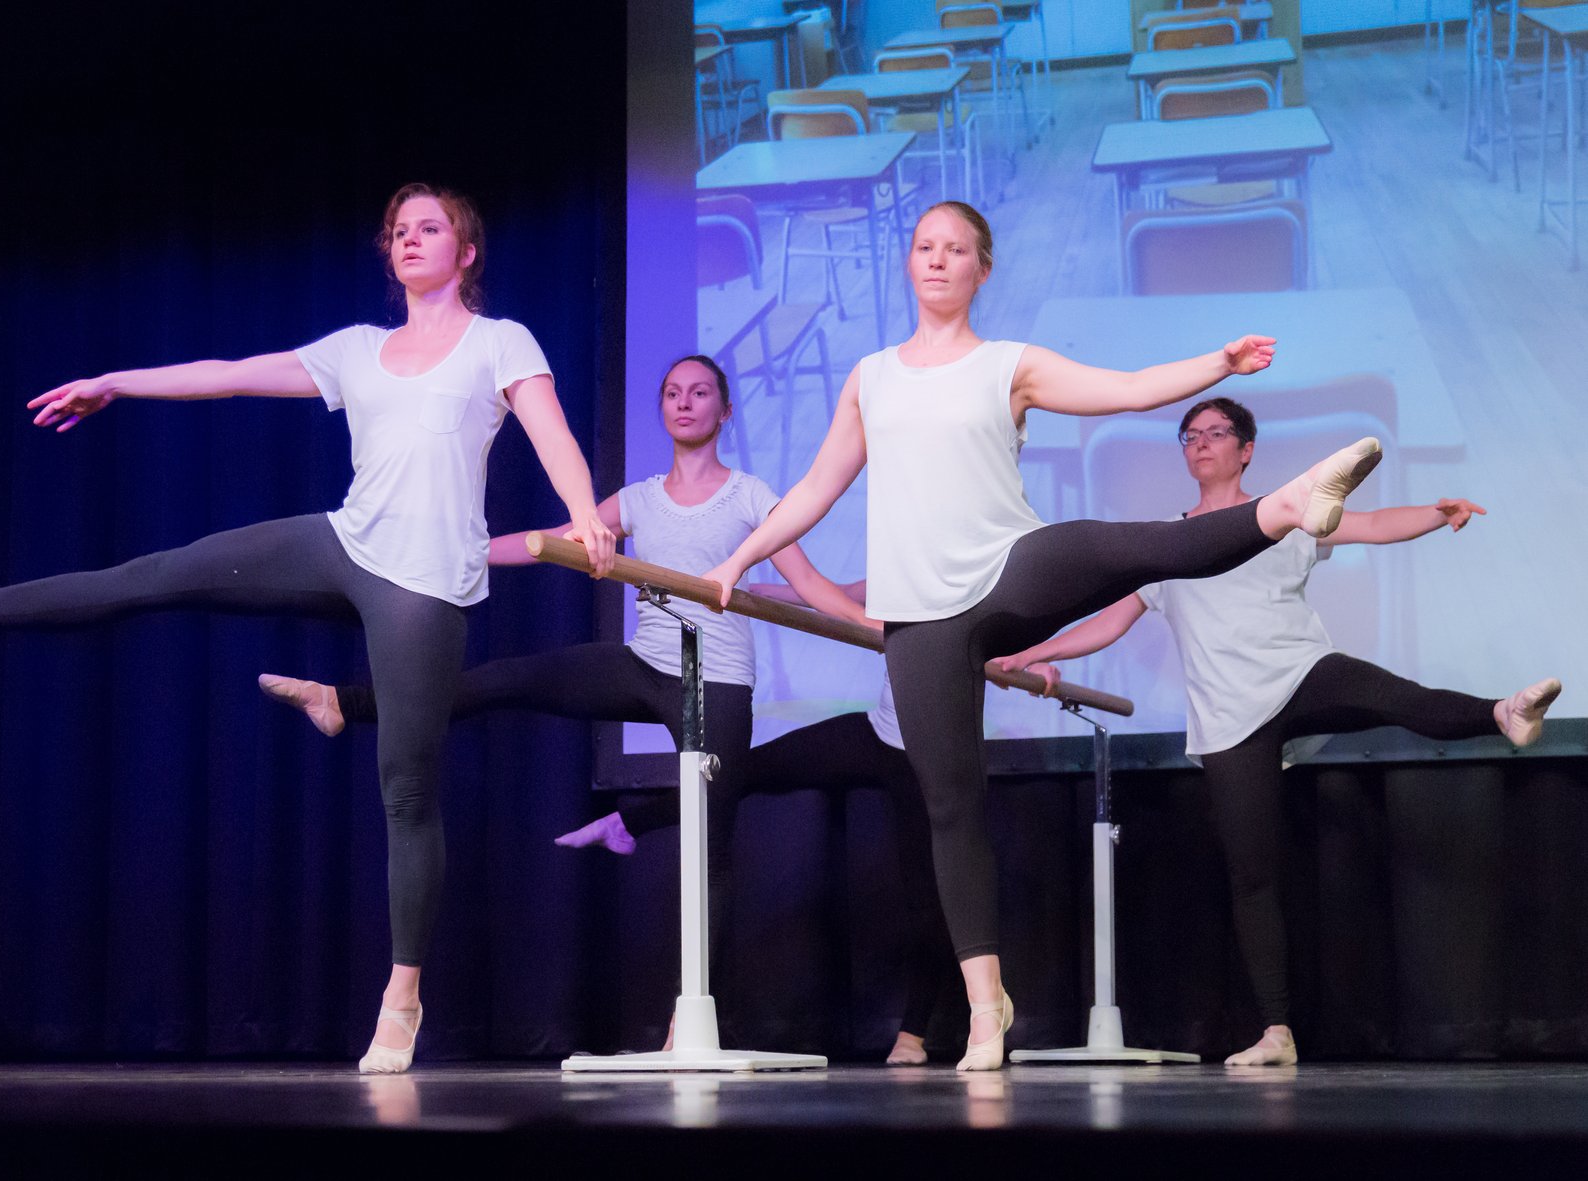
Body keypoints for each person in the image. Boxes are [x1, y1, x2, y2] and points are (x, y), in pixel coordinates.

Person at [0, 182, 617, 1074]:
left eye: (429, 228)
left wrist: (582, 513)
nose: (409, 239)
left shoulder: (499, 341)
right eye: (398, 230)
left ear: (466, 251)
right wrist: (116, 384)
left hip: (428, 580)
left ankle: (402, 995)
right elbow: (228, 372)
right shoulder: (358, 350)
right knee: (157, 574)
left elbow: (551, 431)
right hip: (345, 542)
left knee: (406, 788)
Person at [699, 199, 1386, 1070]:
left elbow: (1125, 389)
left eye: (956, 249)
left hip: (1006, 567)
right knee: (951, 807)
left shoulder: (1008, 365)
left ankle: (1285, 504)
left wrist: (1219, 361)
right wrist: (739, 557)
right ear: (909, 262)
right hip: (920, 616)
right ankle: (987, 1008)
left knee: (1126, 545)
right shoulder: (870, 378)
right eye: (924, 246)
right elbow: (814, 488)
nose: (937, 259)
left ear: (982, 269)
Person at [256, 354, 871, 1043]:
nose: (684, 402)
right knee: (508, 678)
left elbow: (810, 586)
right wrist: (465, 551)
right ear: (662, 409)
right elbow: (548, 542)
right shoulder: (638, 500)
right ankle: (347, 703)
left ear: (725, 411)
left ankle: (689, 1017)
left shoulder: (752, 497)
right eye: (672, 392)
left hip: (719, 683)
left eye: (700, 393)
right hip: (646, 666)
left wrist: (873, 627)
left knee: (710, 848)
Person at [995, 396, 1563, 1067]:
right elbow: (1108, 622)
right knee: (1252, 873)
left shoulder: (1289, 513)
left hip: (1299, 673)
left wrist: (1437, 516)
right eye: (1190, 435)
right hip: (1229, 718)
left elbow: (1372, 524)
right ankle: (1276, 1031)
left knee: (1390, 694)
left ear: (1246, 450)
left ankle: (1501, 712)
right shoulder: (1167, 543)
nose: (1200, 443)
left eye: (1215, 433)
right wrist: (1034, 653)